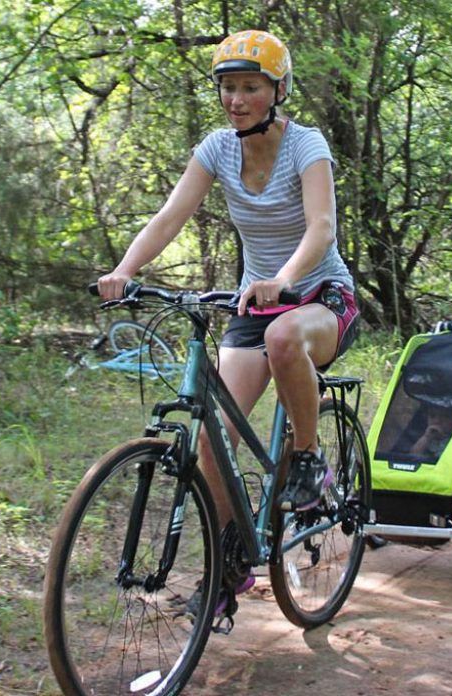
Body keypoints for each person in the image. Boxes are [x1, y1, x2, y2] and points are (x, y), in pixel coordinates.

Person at [97, 30, 359, 529]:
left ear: (278, 90)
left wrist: (282, 278)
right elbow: (170, 217)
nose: (236, 100)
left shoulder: (306, 144)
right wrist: (125, 271)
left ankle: (309, 458)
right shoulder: (217, 148)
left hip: (323, 297)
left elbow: (322, 227)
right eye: (227, 87)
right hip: (256, 305)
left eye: (250, 87)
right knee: (211, 443)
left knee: (285, 337)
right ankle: (229, 566)